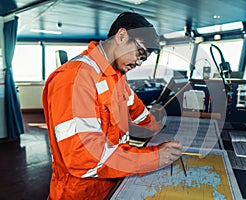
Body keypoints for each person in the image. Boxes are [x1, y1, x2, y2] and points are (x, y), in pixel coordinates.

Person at [42, 12, 182, 199]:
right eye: (140, 54)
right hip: (82, 192)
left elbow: (137, 111)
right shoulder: (75, 78)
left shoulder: (116, 76)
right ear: (122, 36)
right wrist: (155, 157)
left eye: (144, 59)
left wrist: (157, 129)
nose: (139, 63)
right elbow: (84, 159)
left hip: (112, 183)